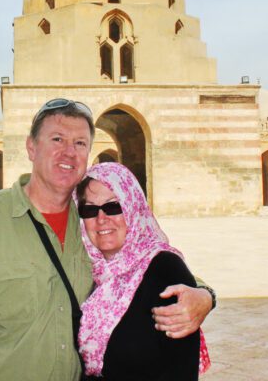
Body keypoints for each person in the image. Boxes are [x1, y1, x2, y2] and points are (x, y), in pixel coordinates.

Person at [0, 98, 214, 381]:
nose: (69, 153)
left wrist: (204, 295)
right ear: (31, 147)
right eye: (57, 139)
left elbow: (147, 266)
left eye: (80, 143)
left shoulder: (89, 223)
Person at [76, 162, 210, 380]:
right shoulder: (82, 268)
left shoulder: (165, 269)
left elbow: (181, 369)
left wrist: (206, 295)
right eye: (89, 209)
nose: (101, 219)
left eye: (113, 206)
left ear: (133, 206)